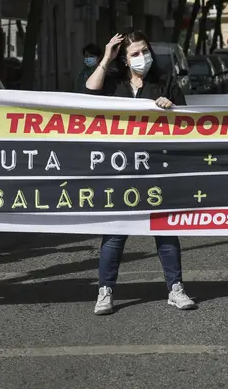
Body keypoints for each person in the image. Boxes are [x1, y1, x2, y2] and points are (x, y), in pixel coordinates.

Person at [84, 31, 196, 314]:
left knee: (166, 232)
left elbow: (187, 123)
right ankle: (105, 291)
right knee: (115, 235)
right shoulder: (114, 83)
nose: (141, 57)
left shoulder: (164, 82)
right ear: (124, 58)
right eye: (134, 53)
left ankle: (175, 289)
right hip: (120, 171)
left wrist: (170, 109)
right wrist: (106, 56)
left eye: (144, 51)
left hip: (157, 169)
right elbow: (89, 91)